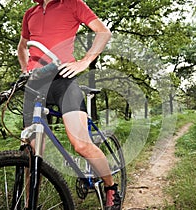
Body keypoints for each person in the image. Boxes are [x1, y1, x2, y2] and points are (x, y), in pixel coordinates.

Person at [17, 0, 121, 209]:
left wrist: (84, 61)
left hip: (63, 79)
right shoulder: (30, 13)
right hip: (35, 82)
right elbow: (22, 46)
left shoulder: (73, 4)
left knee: (81, 144)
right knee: (30, 154)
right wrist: (24, 70)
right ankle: (29, 205)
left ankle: (110, 188)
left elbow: (103, 32)